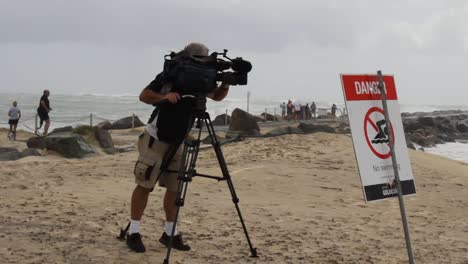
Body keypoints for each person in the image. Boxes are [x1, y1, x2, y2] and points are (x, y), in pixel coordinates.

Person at [127, 42, 231, 253]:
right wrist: (164, 97)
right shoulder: (173, 73)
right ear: (192, 57)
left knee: (175, 189)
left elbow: (217, 96)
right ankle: (133, 232)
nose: (206, 61)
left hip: (180, 138)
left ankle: (170, 233)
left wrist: (226, 84)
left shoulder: (203, 79)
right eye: (204, 57)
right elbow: (144, 95)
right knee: (145, 184)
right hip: (156, 138)